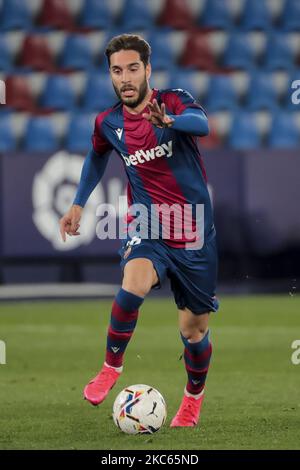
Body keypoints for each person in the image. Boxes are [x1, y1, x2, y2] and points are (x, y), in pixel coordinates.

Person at [59, 34, 219, 427]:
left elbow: (202, 123)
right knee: (134, 281)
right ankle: (111, 366)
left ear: (148, 69)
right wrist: (78, 202)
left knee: (194, 330)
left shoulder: (175, 100)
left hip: (193, 229)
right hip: (148, 225)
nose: (125, 78)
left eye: (133, 68)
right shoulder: (109, 122)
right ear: (111, 76)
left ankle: (192, 399)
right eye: (117, 71)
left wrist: (171, 121)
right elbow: (96, 157)